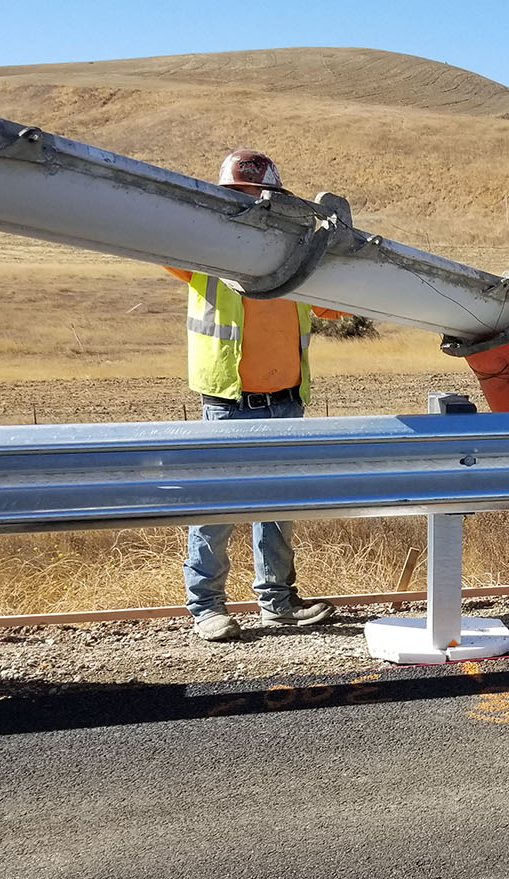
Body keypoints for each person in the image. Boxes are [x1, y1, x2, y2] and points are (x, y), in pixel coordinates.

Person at [167, 149, 343, 641]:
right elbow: (159, 236)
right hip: (227, 401)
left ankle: (278, 603)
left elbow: (337, 306)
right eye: (236, 198)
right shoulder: (201, 254)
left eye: (259, 197)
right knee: (217, 506)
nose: (251, 207)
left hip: (285, 399)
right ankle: (206, 608)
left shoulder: (296, 259)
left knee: (277, 507)